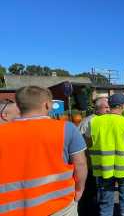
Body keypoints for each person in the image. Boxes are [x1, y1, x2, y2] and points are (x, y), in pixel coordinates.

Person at [0, 86, 87, 215]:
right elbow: (80, 164)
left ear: (19, 105)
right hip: (59, 205)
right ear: (46, 105)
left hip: (11, 208)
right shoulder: (66, 129)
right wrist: (79, 190)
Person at [86, 93, 124, 216]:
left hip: (103, 168)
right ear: (123, 106)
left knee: (106, 203)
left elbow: (89, 144)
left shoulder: (94, 121)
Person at [78, 96, 109, 216]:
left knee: (96, 192)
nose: (108, 109)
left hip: (97, 162)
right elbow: (83, 145)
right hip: (89, 163)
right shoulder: (90, 121)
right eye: (105, 107)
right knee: (90, 192)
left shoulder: (101, 120)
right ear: (97, 109)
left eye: (109, 107)